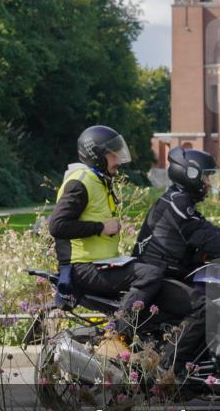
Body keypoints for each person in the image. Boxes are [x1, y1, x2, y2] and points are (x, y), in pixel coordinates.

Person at [133, 147, 220, 377]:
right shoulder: (178, 202)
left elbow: (197, 237)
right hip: (158, 276)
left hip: (167, 272)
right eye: (205, 176)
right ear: (191, 175)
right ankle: (170, 368)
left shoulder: (178, 199)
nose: (208, 182)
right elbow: (205, 233)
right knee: (206, 306)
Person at [47, 125, 163, 322]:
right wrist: (100, 227)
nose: (118, 161)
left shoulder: (99, 180)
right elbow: (57, 226)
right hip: (82, 267)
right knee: (150, 274)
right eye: (112, 155)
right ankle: (119, 331)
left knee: (157, 265)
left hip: (99, 263)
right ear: (97, 156)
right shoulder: (80, 183)